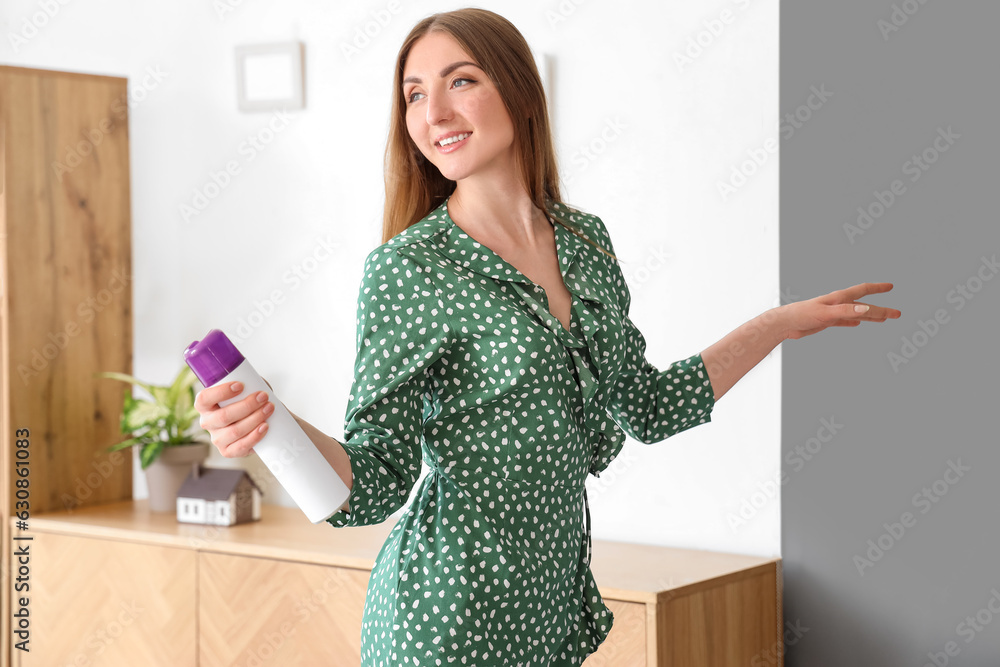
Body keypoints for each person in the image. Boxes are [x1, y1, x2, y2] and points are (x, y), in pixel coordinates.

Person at [193, 8, 901, 666]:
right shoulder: (409, 268)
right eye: (412, 94)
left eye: (459, 81)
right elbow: (378, 478)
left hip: (548, 612)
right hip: (445, 620)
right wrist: (273, 425)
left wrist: (778, 323)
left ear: (521, 91)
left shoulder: (586, 241)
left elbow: (649, 407)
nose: (432, 112)